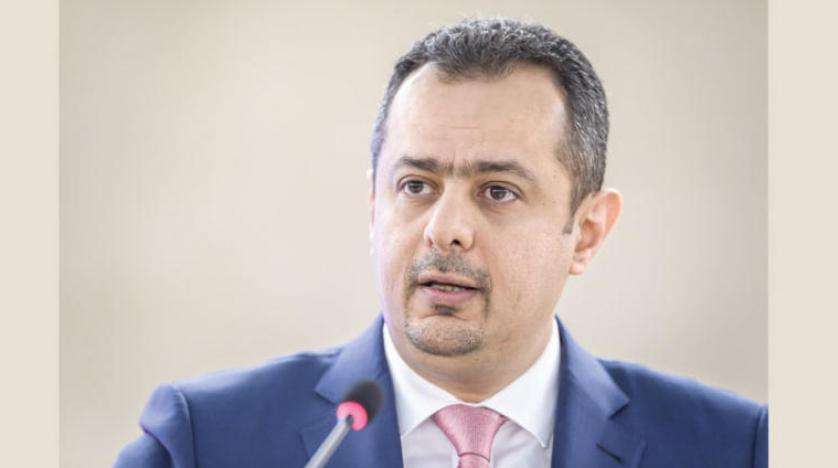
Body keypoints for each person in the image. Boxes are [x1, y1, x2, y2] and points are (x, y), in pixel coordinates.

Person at [114, 18, 767, 468]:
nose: (444, 228)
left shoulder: (734, 448)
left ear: (587, 232)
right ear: (375, 206)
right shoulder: (206, 441)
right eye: (417, 186)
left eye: (498, 191)